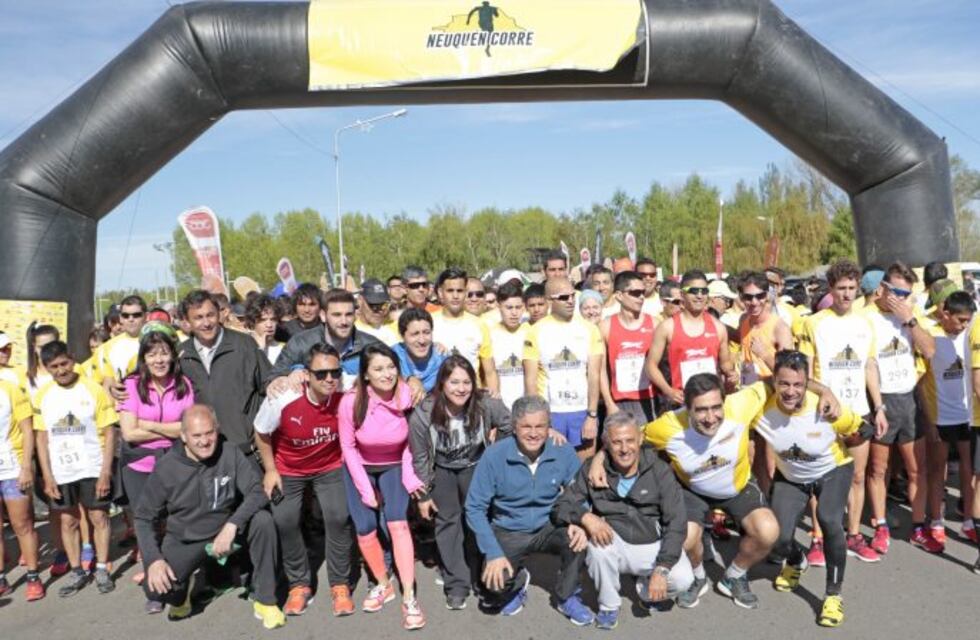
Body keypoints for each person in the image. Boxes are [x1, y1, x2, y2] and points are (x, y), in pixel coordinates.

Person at [591, 374, 811, 610]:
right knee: (684, 538)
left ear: (725, 402)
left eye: (717, 408)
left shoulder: (741, 403)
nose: (710, 418)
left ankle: (734, 576)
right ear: (687, 407)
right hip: (692, 490)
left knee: (768, 532)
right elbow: (629, 437)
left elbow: (779, 377)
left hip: (736, 487)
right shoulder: (668, 426)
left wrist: (825, 391)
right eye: (701, 410)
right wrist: (600, 457)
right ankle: (698, 576)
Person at [135, 405, 284, 628]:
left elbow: (256, 491)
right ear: (183, 436)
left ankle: (266, 601)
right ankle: (183, 593)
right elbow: (143, 518)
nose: (204, 441)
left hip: (226, 532)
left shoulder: (230, 452)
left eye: (209, 433)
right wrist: (153, 560)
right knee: (158, 590)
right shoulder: (166, 468)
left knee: (263, 521)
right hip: (187, 539)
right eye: (196, 435)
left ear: (217, 430)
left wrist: (232, 524)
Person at [753, 351, 863, 627]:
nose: (791, 391)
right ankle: (795, 560)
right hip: (791, 476)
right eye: (784, 384)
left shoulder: (824, 407)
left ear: (806, 384)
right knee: (776, 536)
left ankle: (833, 595)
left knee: (828, 519)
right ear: (774, 382)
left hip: (832, 471)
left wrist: (856, 471)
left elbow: (863, 430)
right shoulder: (761, 407)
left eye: (798, 385)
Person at [553, 411, 692, 629]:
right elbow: (561, 505)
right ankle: (609, 606)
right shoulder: (592, 468)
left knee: (684, 579)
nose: (625, 448)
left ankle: (645, 591)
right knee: (598, 548)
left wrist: (662, 568)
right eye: (617, 442)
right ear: (606, 445)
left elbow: (676, 522)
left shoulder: (659, 470)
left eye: (630, 441)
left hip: (651, 543)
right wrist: (585, 517)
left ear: (640, 440)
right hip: (615, 541)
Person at [465, 395, 593, 625]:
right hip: (510, 528)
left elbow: (581, 493)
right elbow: (474, 508)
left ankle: (567, 596)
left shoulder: (562, 451)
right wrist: (493, 552)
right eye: (526, 426)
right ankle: (518, 580)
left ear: (549, 426)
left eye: (540, 426)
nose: (533, 433)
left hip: (551, 523)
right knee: (495, 583)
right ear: (514, 427)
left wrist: (581, 522)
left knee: (576, 541)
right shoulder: (494, 456)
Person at [253, 343, 356, 617]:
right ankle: (298, 584)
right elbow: (261, 431)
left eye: (335, 372)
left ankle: (340, 583)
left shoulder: (346, 390)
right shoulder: (284, 396)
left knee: (338, 516)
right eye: (321, 374)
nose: (329, 379)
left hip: (329, 466)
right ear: (306, 374)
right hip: (290, 468)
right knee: (285, 519)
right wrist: (270, 469)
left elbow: (383, 377)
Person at [797, 260, 887, 564]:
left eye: (851, 288)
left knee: (858, 476)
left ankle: (853, 535)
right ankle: (818, 539)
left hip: (858, 412)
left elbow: (870, 366)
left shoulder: (866, 322)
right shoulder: (814, 322)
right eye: (841, 289)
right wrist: (822, 394)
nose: (846, 294)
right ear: (831, 289)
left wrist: (879, 407)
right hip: (824, 414)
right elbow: (804, 374)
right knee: (819, 478)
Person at [409, 356, 512, 610]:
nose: (461, 388)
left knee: (478, 522)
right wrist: (422, 495)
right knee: (448, 525)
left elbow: (510, 425)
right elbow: (420, 457)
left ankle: (481, 575)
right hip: (442, 471)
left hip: (475, 467)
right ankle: (456, 583)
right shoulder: (425, 412)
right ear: (442, 383)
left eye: (466, 382)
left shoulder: (485, 403)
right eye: (454, 382)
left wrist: (495, 455)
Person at [338, 343, 426, 630]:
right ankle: (383, 583)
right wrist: (365, 488)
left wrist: (410, 476)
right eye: (378, 368)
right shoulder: (350, 402)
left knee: (398, 523)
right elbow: (348, 447)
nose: (386, 374)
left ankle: (409, 597)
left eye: (391, 367)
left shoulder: (406, 395)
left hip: (395, 463)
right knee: (365, 528)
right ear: (365, 374)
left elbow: (411, 442)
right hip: (360, 465)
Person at [863, 263, 941, 554]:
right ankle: (880, 524)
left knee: (916, 470)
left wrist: (909, 319)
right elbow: (868, 363)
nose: (902, 299)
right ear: (882, 288)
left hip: (909, 398)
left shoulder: (910, 315)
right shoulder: (866, 318)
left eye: (907, 294)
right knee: (878, 469)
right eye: (897, 292)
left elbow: (930, 350)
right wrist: (879, 406)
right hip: (881, 399)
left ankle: (918, 527)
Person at [118, 322, 195, 611]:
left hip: (174, 462)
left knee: (174, 521)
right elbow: (129, 433)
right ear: (144, 358)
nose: (159, 360)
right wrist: (169, 429)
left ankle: (177, 577)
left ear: (173, 355)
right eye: (152, 355)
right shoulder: (131, 385)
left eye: (164, 353)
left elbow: (186, 428)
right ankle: (154, 585)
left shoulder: (183, 385)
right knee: (147, 524)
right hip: (139, 465)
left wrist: (147, 424)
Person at [33, 340, 118, 597]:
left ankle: (102, 568)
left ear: (72, 359)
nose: (60, 370)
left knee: (98, 518)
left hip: (92, 467)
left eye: (64, 363)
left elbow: (109, 432)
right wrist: (47, 476)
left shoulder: (93, 389)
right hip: (60, 471)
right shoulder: (43, 395)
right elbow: (41, 438)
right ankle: (76, 571)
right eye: (53, 366)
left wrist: (105, 471)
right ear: (46, 368)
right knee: (68, 521)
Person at [918, 290, 978, 550]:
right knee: (937, 469)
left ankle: (968, 522)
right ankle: (937, 521)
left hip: (967, 415)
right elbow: (920, 381)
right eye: (960, 320)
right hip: (940, 416)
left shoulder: (971, 337)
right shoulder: (932, 336)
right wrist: (929, 418)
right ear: (946, 314)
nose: (964, 325)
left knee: (968, 470)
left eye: (968, 320)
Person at [177, 290, 270, 451]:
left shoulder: (244, 345)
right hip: (204, 452)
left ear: (219, 314)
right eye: (198, 318)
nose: (206, 323)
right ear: (187, 322)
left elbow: (269, 383)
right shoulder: (181, 355)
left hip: (246, 450)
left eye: (210, 315)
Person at [523, 276, 604, 459]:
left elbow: (594, 375)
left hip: (581, 410)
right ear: (550, 300)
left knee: (584, 471)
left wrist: (591, 415)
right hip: (551, 412)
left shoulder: (589, 329)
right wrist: (540, 420)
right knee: (552, 472)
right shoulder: (535, 331)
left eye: (572, 296)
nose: (570, 301)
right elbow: (530, 381)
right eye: (563, 297)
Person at [644, 270, 737, 412]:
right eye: (693, 291)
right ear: (682, 295)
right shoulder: (667, 327)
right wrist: (668, 390)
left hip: (710, 403)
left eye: (704, 291)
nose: (699, 296)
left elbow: (725, 364)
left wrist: (731, 375)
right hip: (680, 403)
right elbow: (650, 366)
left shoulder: (718, 327)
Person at [267, 288, 381, 393]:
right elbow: (274, 376)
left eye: (349, 315)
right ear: (323, 315)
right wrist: (281, 379)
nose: (344, 321)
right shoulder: (301, 343)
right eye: (337, 315)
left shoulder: (371, 346)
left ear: (355, 315)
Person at [0, 374, 44, 600]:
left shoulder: (10, 389)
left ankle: (33, 575)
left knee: (22, 523)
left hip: (11, 467)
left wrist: (27, 466)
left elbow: (28, 430)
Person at [600, 271, 658, 422]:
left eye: (643, 293)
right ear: (619, 295)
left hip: (650, 399)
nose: (641, 297)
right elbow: (600, 370)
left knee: (650, 446)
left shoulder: (654, 324)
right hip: (620, 402)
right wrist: (609, 403)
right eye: (635, 293)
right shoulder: (606, 326)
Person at [430, 268, 497, 392]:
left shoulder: (479, 325)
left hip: (471, 398)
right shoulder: (428, 323)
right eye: (450, 291)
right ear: (440, 292)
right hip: (437, 397)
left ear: (465, 292)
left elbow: (490, 372)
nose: (455, 296)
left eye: (460, 291)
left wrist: (494, 400)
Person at [487, 282, 528, 409]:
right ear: (499, 307)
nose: (514, 313)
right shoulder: (490, 334)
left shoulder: (530, 332)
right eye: (509, 308)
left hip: (526, 406)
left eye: (518, 307)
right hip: (501, 407)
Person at [100, 294, 148, 399]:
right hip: (124, 405)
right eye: (126, 315)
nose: (131, 319)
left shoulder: (158, 340)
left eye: (136, 315)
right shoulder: (109, 347)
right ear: (121, 318)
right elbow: (108, 382)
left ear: (146, 316)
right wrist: (112, 390)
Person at [392, 308, 447, 393]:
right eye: (415, 334)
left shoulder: (443, 359)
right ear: (402, 335)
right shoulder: (392, 356)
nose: (422, 340)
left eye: (426, 332)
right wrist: (407, 379)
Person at [355, 279, 399, 346]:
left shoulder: (397, 326)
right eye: (373, 305)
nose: (379, 311)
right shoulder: (353, 331)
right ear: (360, 301)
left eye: (383, 305)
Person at [245, 293, 284, 364]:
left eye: (273, 319)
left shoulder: (284, 350)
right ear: (253, 322)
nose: (269, 325)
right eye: (263, 320)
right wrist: (259, 350)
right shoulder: (242, 347)